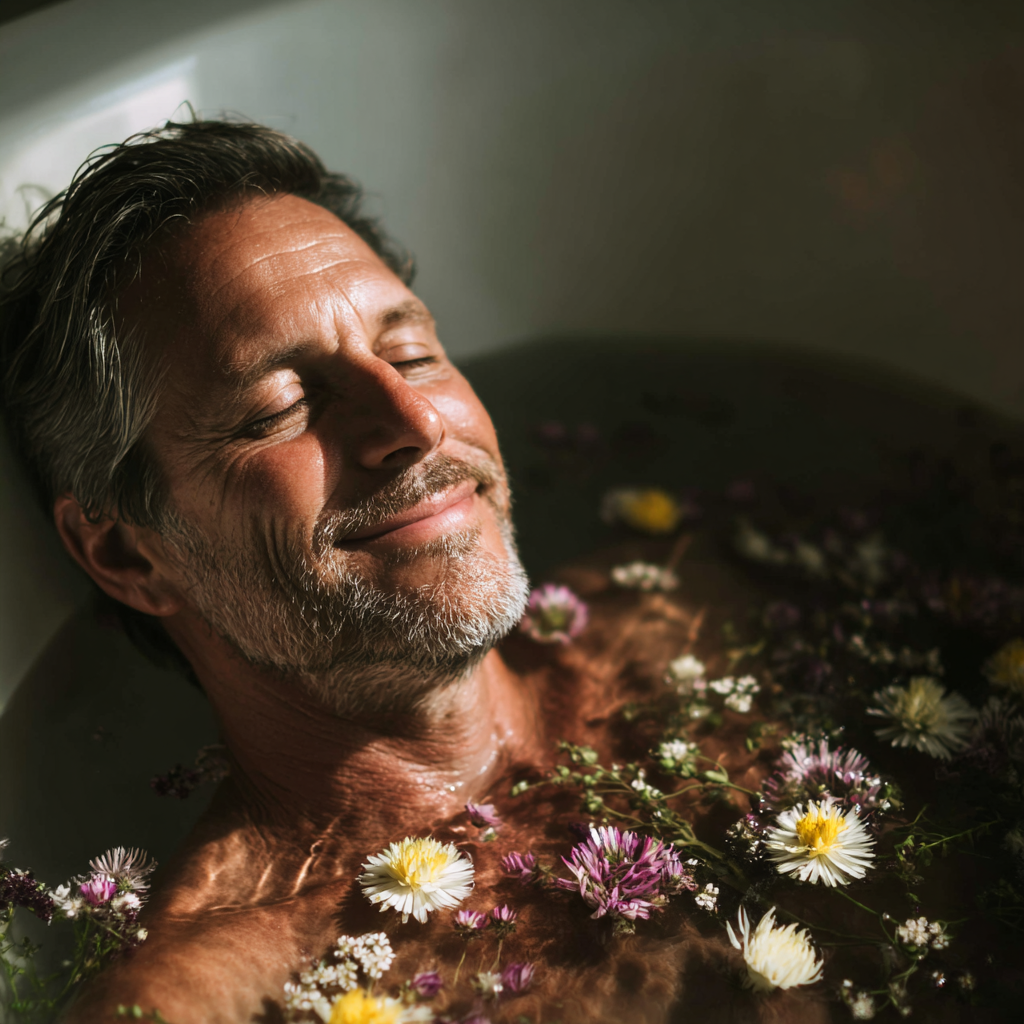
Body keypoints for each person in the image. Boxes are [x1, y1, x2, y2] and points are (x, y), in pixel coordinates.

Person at [0, 120, 773, 1024]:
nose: (413, 419)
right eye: (280, 407)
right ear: (130, 555)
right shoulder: (208, 1004)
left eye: (410, 354)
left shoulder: (696, 608)